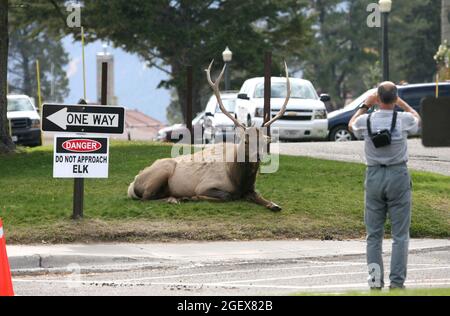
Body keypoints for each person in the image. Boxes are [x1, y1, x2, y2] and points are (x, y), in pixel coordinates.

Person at [348, 81, 421, 290]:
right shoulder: (403, 119)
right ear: (395, 98)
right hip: (398, 174)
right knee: (400, 235)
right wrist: (403, 104)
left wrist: (364, 104)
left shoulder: (365, 120)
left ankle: (375, 281)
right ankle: (397, 283)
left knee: (373, 235)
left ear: (377, 99)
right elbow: (418, 119)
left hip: (373, 175)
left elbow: (350, 125)